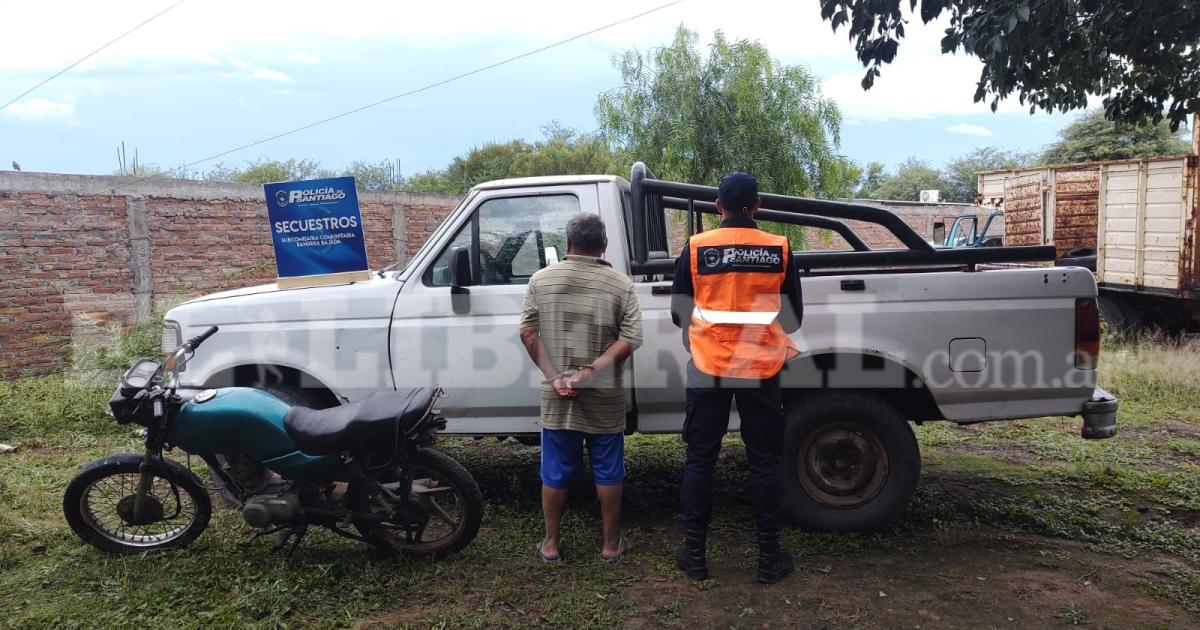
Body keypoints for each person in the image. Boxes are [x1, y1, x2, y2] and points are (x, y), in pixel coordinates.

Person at [670, 172, 803, 584]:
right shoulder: (778, 248)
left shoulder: (696, 248)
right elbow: (793, 319)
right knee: (764, 462)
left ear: (717, 206)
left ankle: (694, 556)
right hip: (762, 369)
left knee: (700, 459)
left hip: (708, 367)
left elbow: (678, 313)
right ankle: (768, 559)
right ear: (758, 206)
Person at [519, 213, 643, 564]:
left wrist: (555, 377)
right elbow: (630, 339)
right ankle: (610, 544)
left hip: (557, 396)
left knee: (555, 471)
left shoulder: (540, 280)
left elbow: (528, 333)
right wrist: (591, 372)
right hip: (604, 394)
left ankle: (551, 545)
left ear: (568, 242)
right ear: (603, 245)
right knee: (608, 469)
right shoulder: (621, 285)